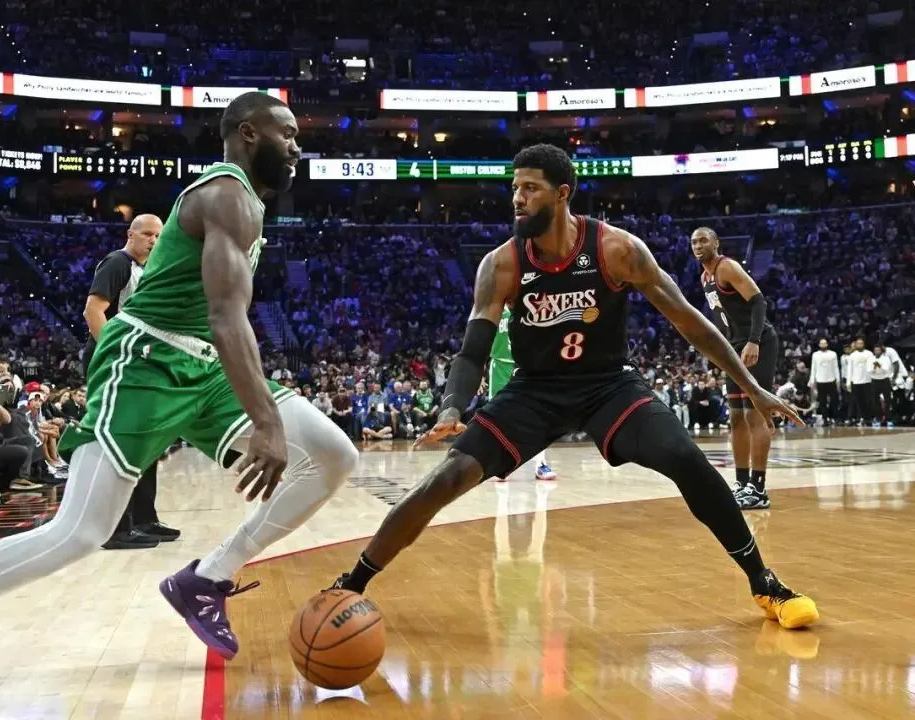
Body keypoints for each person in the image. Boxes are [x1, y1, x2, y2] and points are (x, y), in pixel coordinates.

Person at [0, 92, 358, 705]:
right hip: (146, 361)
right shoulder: (226, 194)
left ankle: (209, 577)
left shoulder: (248, 201)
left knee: (333, 454)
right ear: (248, 133)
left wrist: (265, 414)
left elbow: (221, 323)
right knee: (80, 533)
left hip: (203, 365)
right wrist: (266, 423)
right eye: (288, 134)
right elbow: (228, 317)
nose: (297, 147)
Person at [329, 144, 817, 634]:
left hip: (608, 385)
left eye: (530, 188)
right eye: (514, 188)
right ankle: (353, 583)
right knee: (447, 477)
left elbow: (689, 321)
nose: (517, 198)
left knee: (685, 457)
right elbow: (472, 352)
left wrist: (752, 387)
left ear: (562, 194)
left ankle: (764, 582)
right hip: (535, 391)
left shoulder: (616, 249)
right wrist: (451, 407)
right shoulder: (501, 264)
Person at [81, 213, 177, 549]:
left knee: (145, 440)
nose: (153, 240)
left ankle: (144, 518)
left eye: (158, 235)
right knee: (120, 441)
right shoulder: (117, 263)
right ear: (130, 234)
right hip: (112, 360)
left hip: (137, 362)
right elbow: (93, 311)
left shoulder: (150, 269)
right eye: (147, 234)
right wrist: (113, 353)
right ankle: (114, 528)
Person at [691, 227, 780, 510]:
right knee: (736, 417)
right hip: (734, 348)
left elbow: (758, 301)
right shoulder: (704, 277)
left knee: (755, 415)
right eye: (694, 242)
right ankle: (742, 484)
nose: (698, 245)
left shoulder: (726, 267)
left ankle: (759, 488)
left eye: (703, 240)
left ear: (716, 243)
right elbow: (722, 318)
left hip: (758, 343)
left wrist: (754, 341)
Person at [489, 307, 556, 482]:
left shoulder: (529, 306)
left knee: (537, 416)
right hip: (500, 367)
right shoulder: (493, 306)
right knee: (498, 418)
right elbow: (480, 341)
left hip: (525, 366)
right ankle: (502, 463)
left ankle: (541, 464)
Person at [809, 338, 840, 426]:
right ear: (819, 345)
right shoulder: (815, 355)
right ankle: (825, 419)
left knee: (834, 401)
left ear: (827, 344)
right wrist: (812, 381)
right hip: (820, 380)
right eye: (821, 343)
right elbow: (813, 368)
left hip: (831, 380)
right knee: (822, 402)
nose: (823, 345)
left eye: (825, 343)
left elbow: (836, 367)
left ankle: (835, 418)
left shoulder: (833, 354)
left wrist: (838, 379)